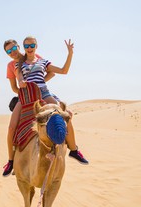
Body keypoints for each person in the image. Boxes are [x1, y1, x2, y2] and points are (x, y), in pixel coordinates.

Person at [16, 36, 89, 166]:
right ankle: (13, 160)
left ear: (36, 46)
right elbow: (19, 78)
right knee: (15, 124)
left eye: (32, 45)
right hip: (28, 95)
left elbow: (63, 71)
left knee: (67, 115)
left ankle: (73, 149)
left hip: (44, 93)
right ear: (24, 48)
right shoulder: (20, 64)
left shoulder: (44, 62)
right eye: (26, 46)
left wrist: (70, 53)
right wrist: (21, 82)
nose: (29, 48)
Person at [2, 39, 55, 176]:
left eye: (14, 48)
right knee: (12, 128)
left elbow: (51, 73)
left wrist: (36, 85)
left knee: (60, 115)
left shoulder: (34, 56)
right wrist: (25, 90)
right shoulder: (10, 65)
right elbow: (14, 87)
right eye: (8, 51)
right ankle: (11, 161)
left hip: (41, 94)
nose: (12, 52)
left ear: (19, 46)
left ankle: (68, 148)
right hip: (24, 97)